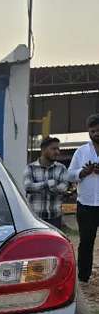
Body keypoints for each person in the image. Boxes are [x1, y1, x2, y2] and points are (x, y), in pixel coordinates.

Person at [67, 113, 99, 284]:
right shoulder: (81, 151)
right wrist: (83, 172)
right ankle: (83, 277)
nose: (96, 134)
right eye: (93, 131)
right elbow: (70, 175)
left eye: (98, 130)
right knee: (86, 241)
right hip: (86, 204)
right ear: (88, 132)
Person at [23, 137, 68, 229]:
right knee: (35, 243)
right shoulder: (30, 168)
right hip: (35, 217)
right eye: (53, 149)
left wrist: (39, 186)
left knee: (53, 243)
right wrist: (49, 184)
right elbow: (28, 187)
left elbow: (63, 188)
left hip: (55, 217)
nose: (57, 152)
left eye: (58, 149)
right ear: (43, 150)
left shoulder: (61, 168)